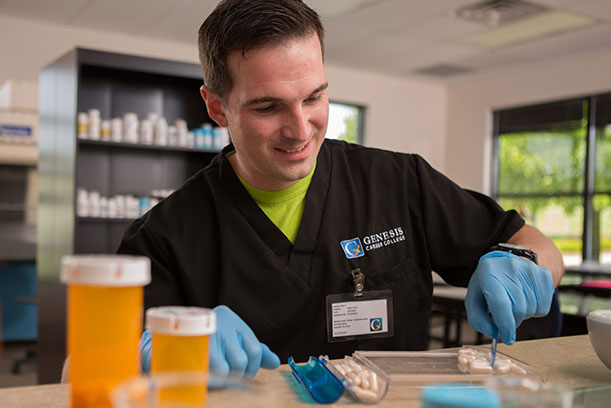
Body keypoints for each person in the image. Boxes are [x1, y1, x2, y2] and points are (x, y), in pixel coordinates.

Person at [118, 0, 564, 385]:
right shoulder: (164, 237)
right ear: (217, 106)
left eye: (314, 98)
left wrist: (523, 264)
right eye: (269, 107)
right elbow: (82, 373)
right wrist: (163, 347)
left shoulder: (399, 181)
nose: (299, 130)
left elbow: (535, 244)